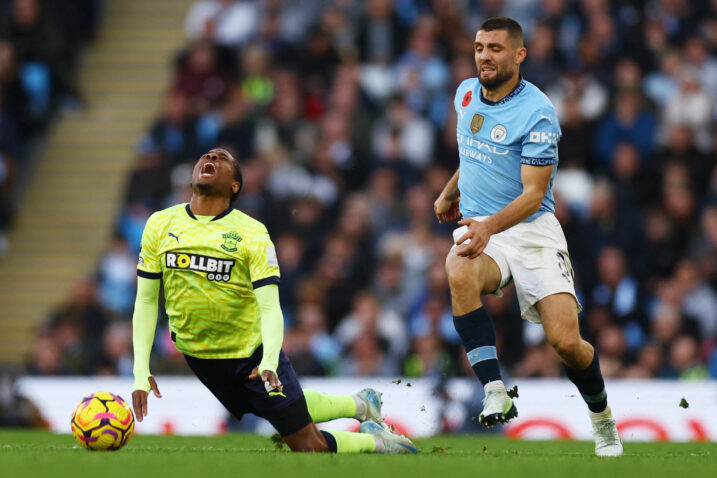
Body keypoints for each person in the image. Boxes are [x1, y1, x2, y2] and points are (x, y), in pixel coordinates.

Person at [131, 148, 417, 454]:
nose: (210, 159)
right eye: (206, 157)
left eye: (222, 159)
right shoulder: (160, 225)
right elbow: (146, 302)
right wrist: (139, 371)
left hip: (250, 355)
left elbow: (269, 307)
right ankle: (361, 404)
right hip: (199, 357)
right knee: (270, 408)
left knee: (307, 445)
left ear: (235, 186)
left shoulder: (251, 233)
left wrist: (268, 360)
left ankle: (378, 442)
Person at [433, 17, 622, 457]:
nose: (484, 56)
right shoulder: (465, 94)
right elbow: (475, 156)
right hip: (486, 231)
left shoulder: (538, 111)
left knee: (566, 344)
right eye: (480, 47)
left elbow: (534, 195)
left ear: (519, 55)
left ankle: (602, 418)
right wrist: (448, 193)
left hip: (532, 231)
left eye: (495, 48)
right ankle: (494, 389)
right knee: (457, 266)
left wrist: (485, 226)